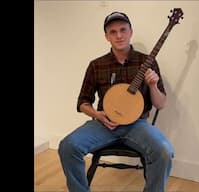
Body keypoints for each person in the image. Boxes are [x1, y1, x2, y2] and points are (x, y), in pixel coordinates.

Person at [58, 11, 174, 192]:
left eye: (123, 30)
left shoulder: (147, 62)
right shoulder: (96, 65)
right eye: (113, 32)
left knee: (164, 151)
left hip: (137, 124)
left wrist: (153, 85)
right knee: (67, 146)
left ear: (130, 32)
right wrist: (98, 115)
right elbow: (82, 102)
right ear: (106, 36)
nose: (119, 35)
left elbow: (161, 104)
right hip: (104, 123)